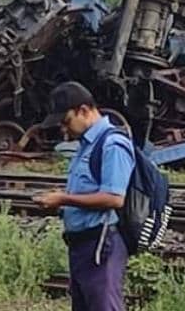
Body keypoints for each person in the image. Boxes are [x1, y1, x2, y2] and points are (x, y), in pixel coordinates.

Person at [33, 82, 135, 311]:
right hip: (82, 246)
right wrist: (61, 205)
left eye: (66, 121)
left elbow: (114, 198)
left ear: (83, 111)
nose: (63, 129)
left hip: (101, 244)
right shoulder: (86, 146)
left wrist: (64, 199)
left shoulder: (112, 144)